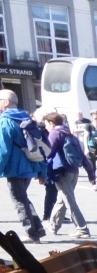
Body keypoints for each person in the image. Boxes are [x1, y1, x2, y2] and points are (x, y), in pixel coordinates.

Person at [0, 89, 48, 242]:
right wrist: (42, 172)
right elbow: (40, 146)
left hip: (15, 167)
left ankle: (31, 234)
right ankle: (38, 227)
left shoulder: (5, 121)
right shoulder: (27, 119)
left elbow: (3, 150)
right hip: (31, 165)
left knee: (19, 200)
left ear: (6, 102)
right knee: (22, 197)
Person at [43, 111, 94, 238]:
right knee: (62, 199)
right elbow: (82, 155)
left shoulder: (55, 133)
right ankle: (54, 225)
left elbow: (48, 152)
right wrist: (90, 173)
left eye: (46, 124)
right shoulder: (70, 134)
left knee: (69, 201)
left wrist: (40, 167)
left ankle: (82, 228)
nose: (46, 127)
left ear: (51, 123)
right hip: (74, 172)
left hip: (62, 172)